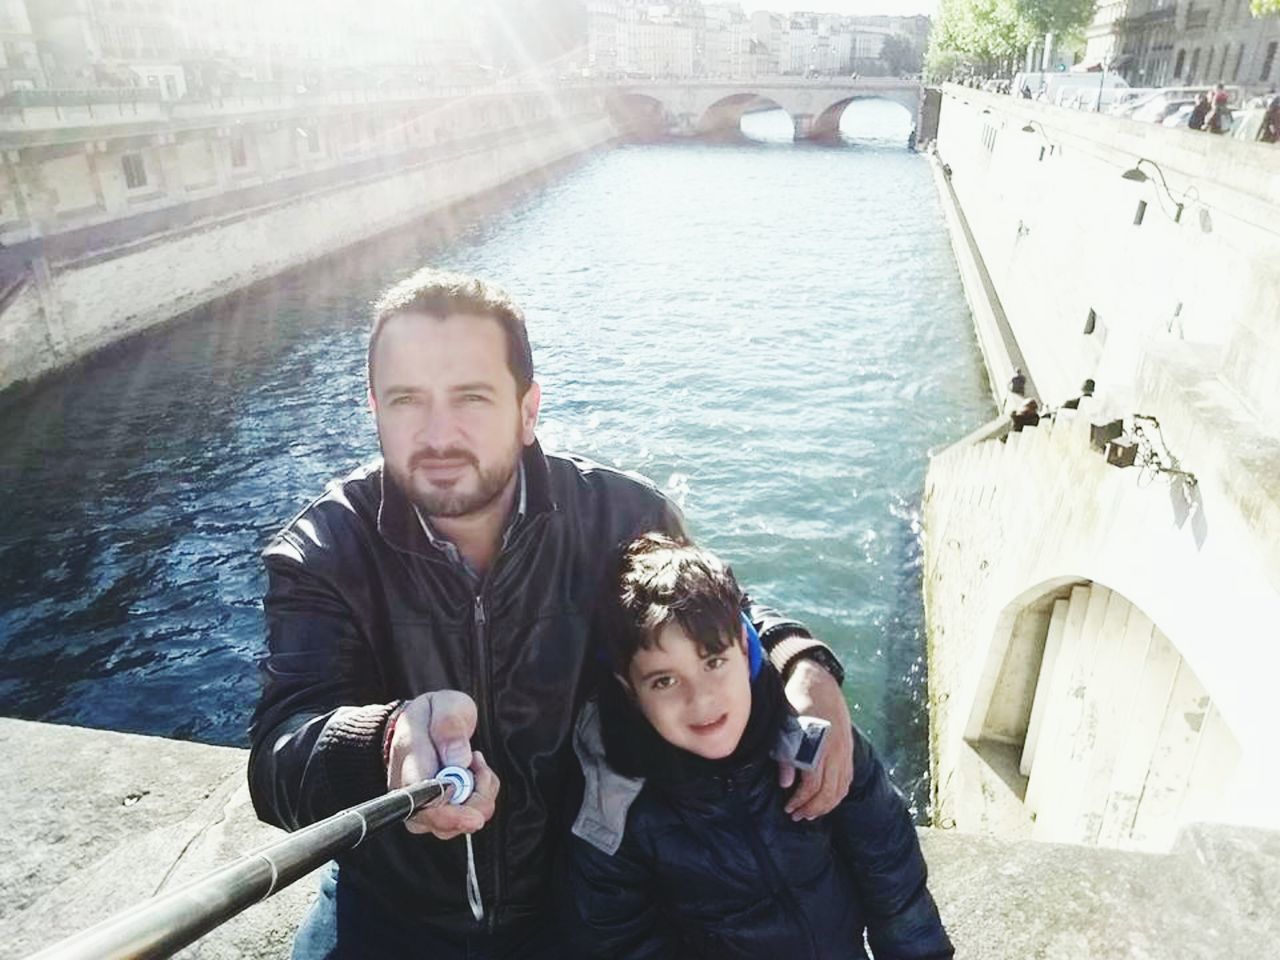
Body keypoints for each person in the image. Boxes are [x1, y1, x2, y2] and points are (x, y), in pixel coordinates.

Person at [248, 269, 853, 958]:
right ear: (374, 407)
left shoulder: (621, 516)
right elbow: (277, 760)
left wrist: (798, 657)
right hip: (390, 909)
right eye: (407, 400)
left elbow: (717, 614)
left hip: (582, 902)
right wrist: (382, 745)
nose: (438, 434)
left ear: (528, 408)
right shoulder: (324, 549)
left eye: (471, 398)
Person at [565, 534, 954, 959]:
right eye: (665, 680)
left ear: (747, 650)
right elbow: (621, 944)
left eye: (713, 661)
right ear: (629, 689)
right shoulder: (613, 814)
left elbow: (889, 863)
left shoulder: (808, 736)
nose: (702, 700)